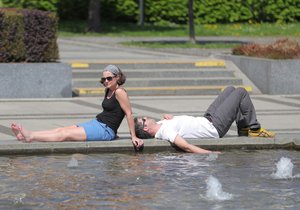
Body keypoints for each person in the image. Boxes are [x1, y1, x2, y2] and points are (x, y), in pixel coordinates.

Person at [11, 64, 144, 149]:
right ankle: (27, 136)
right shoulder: (108, 90)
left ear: (118, 77)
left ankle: (30, 137)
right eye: (104, 79)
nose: (106, 81)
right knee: (61, 129)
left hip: (105, 131)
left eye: (109, 78)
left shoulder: (120, 92)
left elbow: (129, 114)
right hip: (97, 123)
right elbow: (112, 113)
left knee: (65, 135)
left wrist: (133, 136)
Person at [134, 86, 275, 154]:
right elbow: (186, 146)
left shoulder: (161, 124)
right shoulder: (165, 132)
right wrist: (209, 153)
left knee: (230, 89)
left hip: (207, 119)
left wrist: (169, 117)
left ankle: (243, 128)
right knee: (241, 92)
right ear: (146, 128)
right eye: (144, 119)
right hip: (215, 127)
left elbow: (170, 121)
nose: (146, 117)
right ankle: (254, 129)